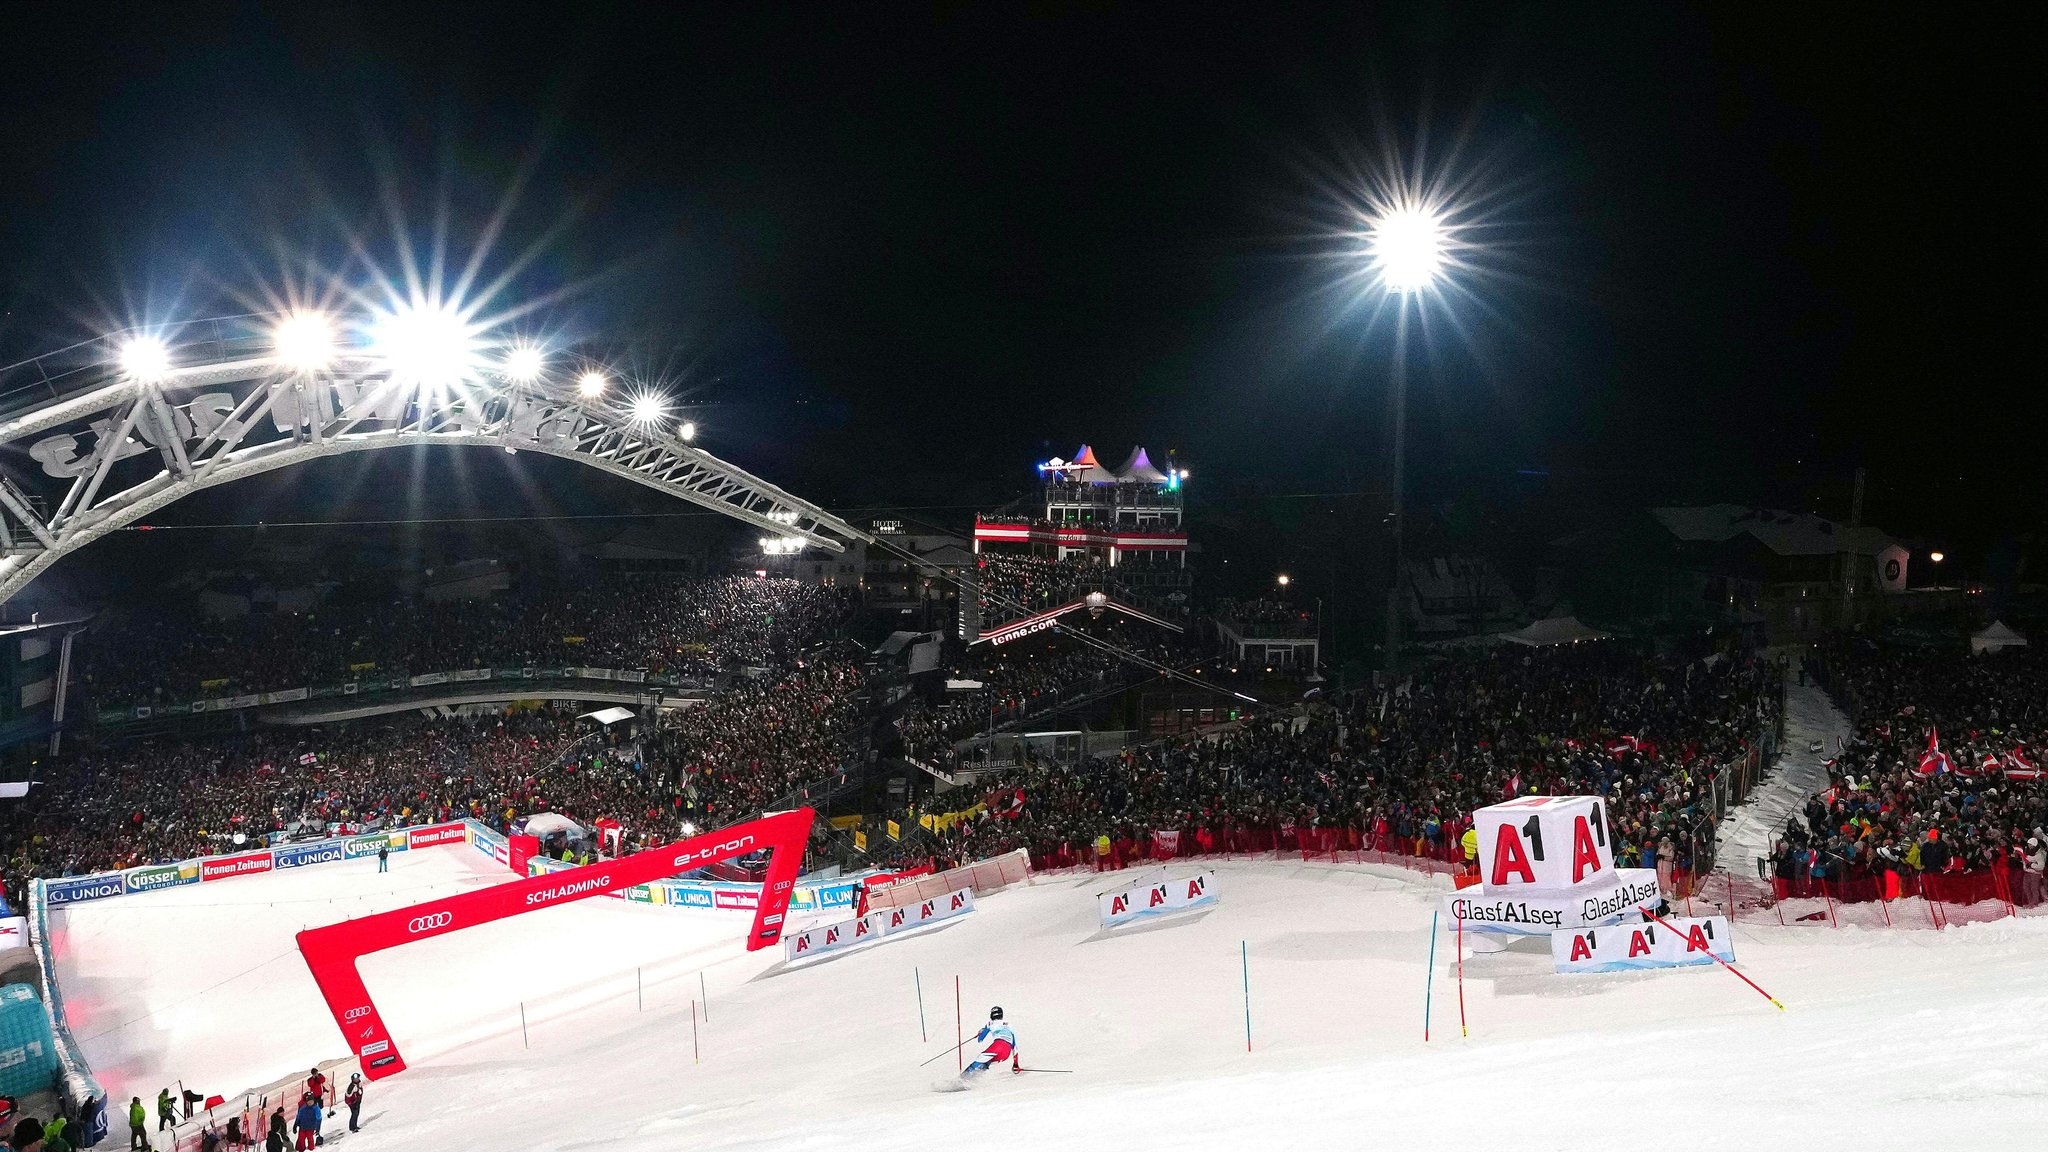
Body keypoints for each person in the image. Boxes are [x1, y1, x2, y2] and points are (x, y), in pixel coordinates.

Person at [960, 1006, 1019, 1081]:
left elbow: (980, 1039)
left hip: (998, 1046)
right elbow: (1015, 1047)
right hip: (1006, 1053)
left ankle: (962, 1079)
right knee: (986, 1063)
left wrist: (981, 1032)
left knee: (979, 1060)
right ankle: (973, 1081)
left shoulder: (990, 1023)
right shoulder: (1009, 1025)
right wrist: (1015, 1064)